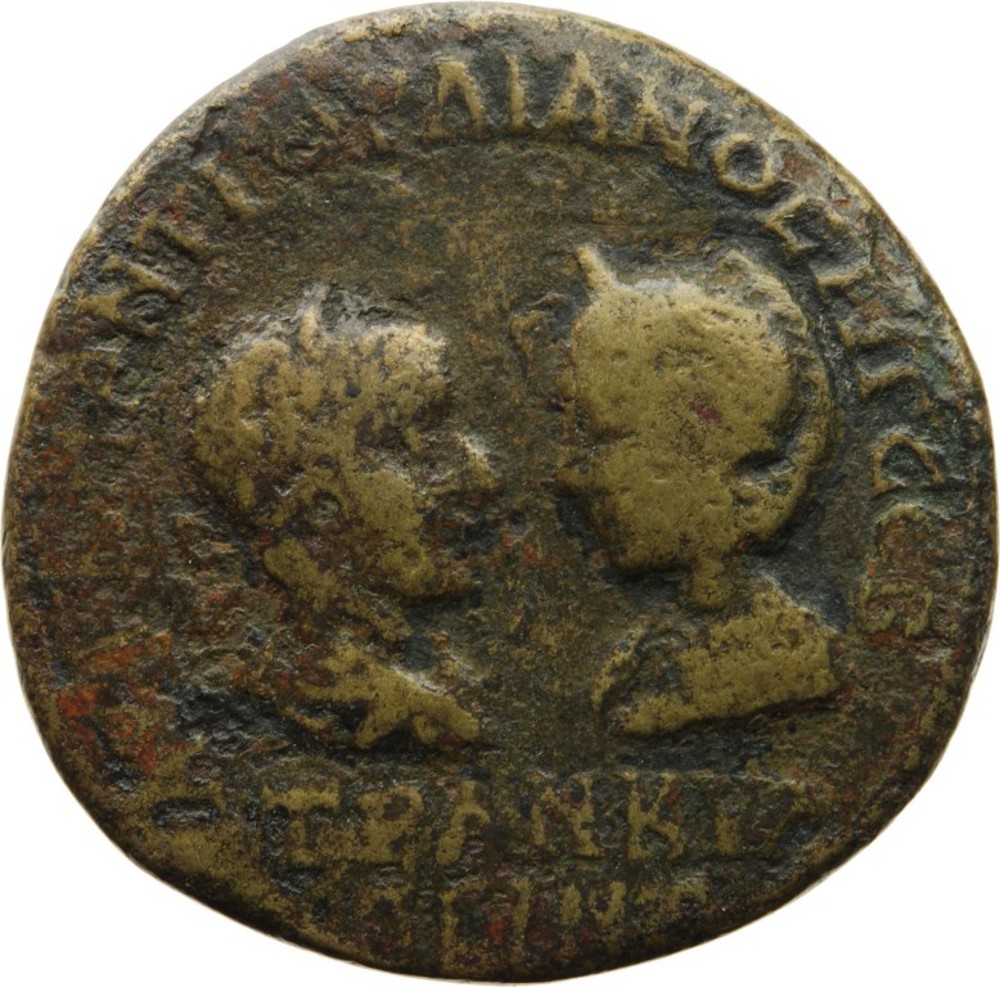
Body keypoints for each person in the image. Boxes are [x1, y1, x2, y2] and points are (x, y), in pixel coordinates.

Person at [193, 284, 499, 749]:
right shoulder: (353, 712)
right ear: (321, 505)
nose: (481, 477)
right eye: (419, 445)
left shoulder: (420, 683)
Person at [559, 247, 839, 735]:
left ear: (701, 448)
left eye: (602, 438)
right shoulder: (648, 657)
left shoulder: (785, 667)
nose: (570, 476)